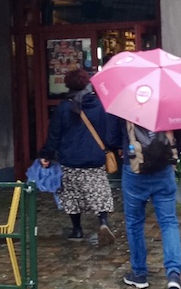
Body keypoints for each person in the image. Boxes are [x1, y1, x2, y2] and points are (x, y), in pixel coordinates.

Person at [38, 68, 121, 244]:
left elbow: (54, 134)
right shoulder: (99, 105)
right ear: (87, 83)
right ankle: (103, 222)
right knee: (99, 192)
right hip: (95, 158)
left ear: (68, 84)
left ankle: (77, 230)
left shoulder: (63, 108)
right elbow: (108, 132)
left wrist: (47, 154)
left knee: (71, 195)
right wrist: (111, 147)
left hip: (70, 160)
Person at [120, 122, 181, 289]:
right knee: (169, 222)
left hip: (134, 168)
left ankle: (139, 274)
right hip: (163, 170)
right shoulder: (169, 102)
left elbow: (111, 137)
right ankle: (173, 275)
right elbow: (179, 137)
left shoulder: (124, 103)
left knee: (134, 222)